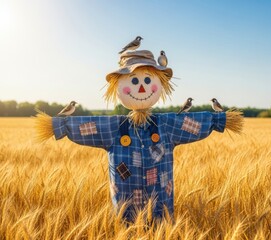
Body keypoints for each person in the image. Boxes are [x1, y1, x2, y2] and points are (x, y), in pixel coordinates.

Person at [35, 48, 243, 222]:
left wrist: (221, 120)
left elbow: (193, 123)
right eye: (134, 81)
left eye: (147, 80)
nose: (142, 87)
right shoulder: (114, 127)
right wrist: (57, 126)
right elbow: (86, 126)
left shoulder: (168, 124)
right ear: (119, 86)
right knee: (127, 225)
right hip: (126, 214)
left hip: (161, 213)